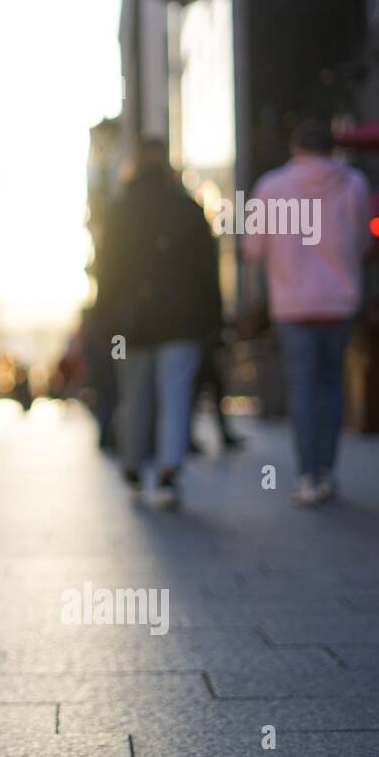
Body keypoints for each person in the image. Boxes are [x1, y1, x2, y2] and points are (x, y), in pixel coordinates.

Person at [244, 119, 370, 505]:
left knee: (302, 386)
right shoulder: (354, 183)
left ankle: (307, 475)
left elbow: (252, 250)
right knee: (332, 385)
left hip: (292, 304)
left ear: (294, 148)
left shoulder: (270, 187)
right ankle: (328, 470)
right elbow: (363, 240)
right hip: (339, 300)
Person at [98, 137, 222, 509]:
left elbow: (107, 272)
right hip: (182, 320)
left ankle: (133, 465)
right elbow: (207, 269)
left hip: (131, 323)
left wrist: (105, 321)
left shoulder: (120, 211)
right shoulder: (186, 208)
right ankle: (169, 472)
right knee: (176, 395)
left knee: (134, 394)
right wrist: (213, 319)